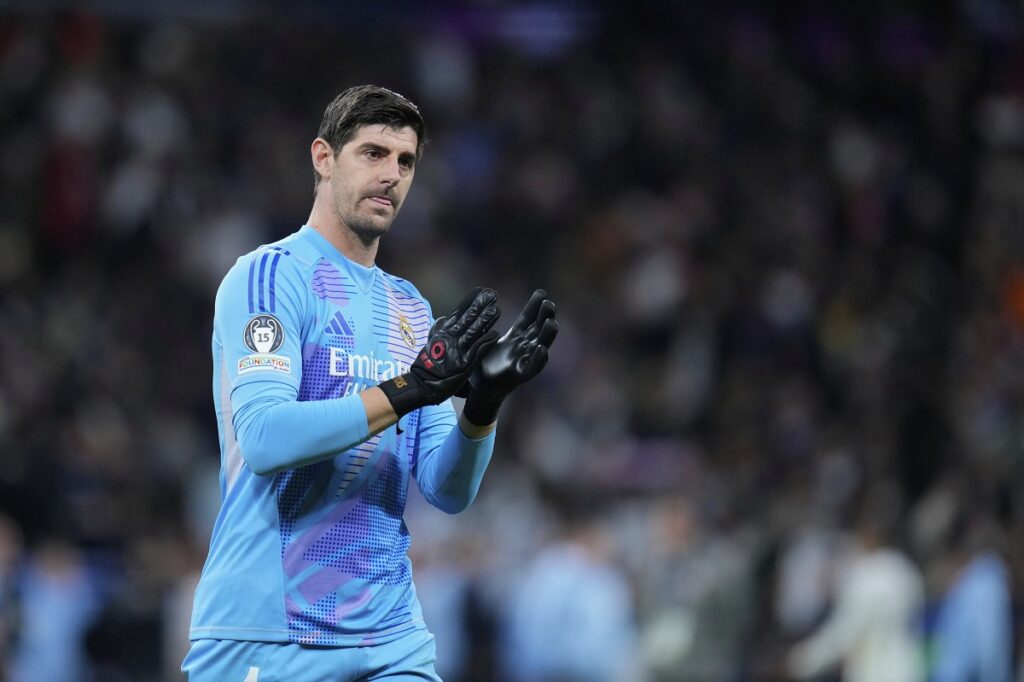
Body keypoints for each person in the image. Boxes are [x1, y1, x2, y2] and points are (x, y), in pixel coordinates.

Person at [182, 85, 558, 681]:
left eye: (405, 162)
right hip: (269, 632)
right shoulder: (268, 277)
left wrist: (481, 407)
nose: (392, 175)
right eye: (373, 153)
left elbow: (445, 490)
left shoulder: (410, 309)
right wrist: (409, 389)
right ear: (323, 158)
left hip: (389, 635)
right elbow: (264, 439)